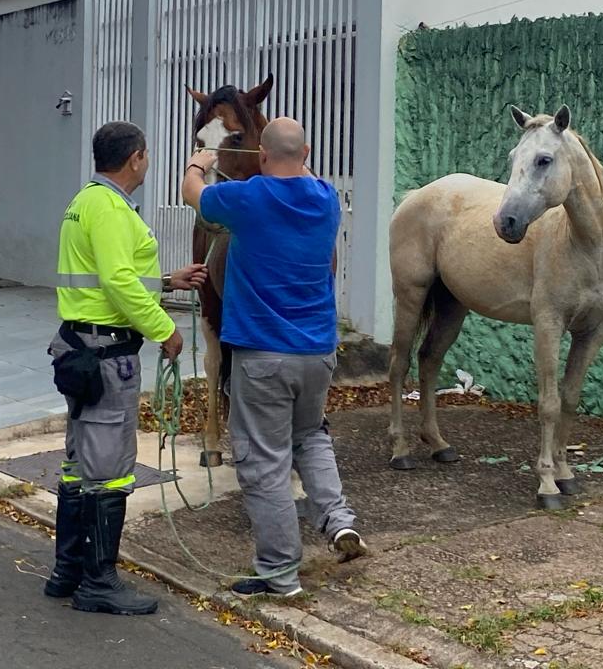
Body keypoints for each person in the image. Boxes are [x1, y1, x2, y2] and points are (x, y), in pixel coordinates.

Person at [181, 116, 364, 599]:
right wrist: (292, 156)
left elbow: (192, 194)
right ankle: (338, 521)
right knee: (311, 437)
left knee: (263, 461)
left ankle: (280, 574)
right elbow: (297, 168)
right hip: (318, 353)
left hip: (263, 358)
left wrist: (199, 162)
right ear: (305, 155)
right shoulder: (326, 200)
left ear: (261, 157)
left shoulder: (247, 198)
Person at [46, 121, 207, 615]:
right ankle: (98, 582)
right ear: (136, 157)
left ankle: (67, 571)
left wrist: (165, 281)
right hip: (106, 356)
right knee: (109, 472)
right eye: (147, 155)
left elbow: (111, 276)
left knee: (79, 465)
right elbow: (117, 281)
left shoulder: (87, 200)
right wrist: (165, 329)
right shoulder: (112, 208)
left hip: (82, 348)